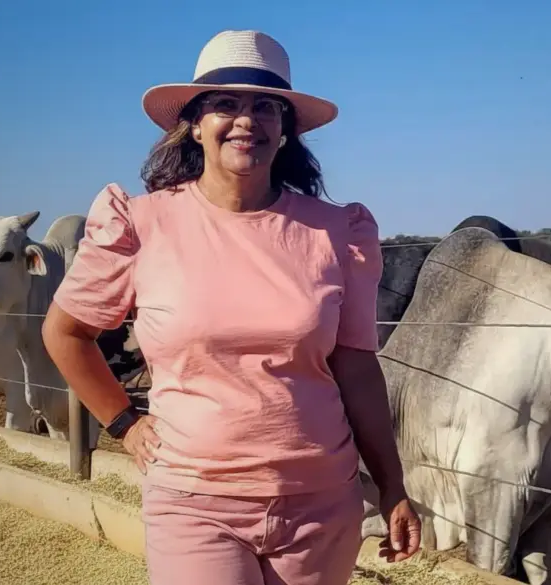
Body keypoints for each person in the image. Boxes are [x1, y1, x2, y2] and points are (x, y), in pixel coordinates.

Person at [40, 29, 421, 585]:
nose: (247, 120)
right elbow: (66, 332)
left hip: (322, 502)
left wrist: (391, 486)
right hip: (193, 499)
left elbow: (357, 365)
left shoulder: (338, 232)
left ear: (285, 130)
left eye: (266, 107)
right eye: (225, 104)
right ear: (195, 123)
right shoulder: (142, 223)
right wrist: (123, 422)